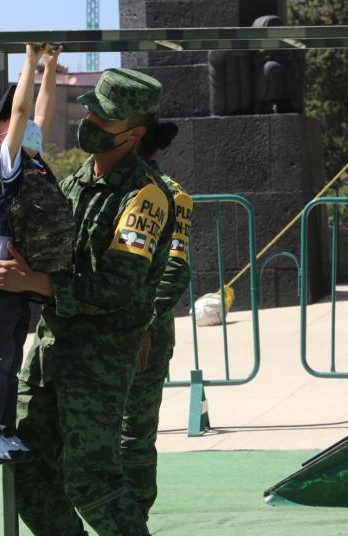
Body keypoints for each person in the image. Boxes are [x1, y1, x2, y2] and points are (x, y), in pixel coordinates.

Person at [0, 67, 174, 536]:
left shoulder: (145, 196)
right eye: (89, 109)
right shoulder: (75, 182)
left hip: (98, 360)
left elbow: (118, 286)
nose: (89, 121)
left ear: (135, 133)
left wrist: (37, 282)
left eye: (102, 118)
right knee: (27, 472)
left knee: (91, 480)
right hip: (51, 353)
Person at [0, 43, 74, 461]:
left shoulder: (33, 160)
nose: (28, 123)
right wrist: (29, 62)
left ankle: (4, 430)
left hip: (16, 275)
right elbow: (20, 114)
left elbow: (41, 113)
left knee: (10, 356)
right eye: (14, 122)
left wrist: (49, 68)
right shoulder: (4, 162)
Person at [121, 121, 193, 519]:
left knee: (133, 437)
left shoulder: (170, 193)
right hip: (97, 339)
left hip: (143, 337)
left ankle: (133, 521)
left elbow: (174, 271)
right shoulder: (99, 187)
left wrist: (140, 326)